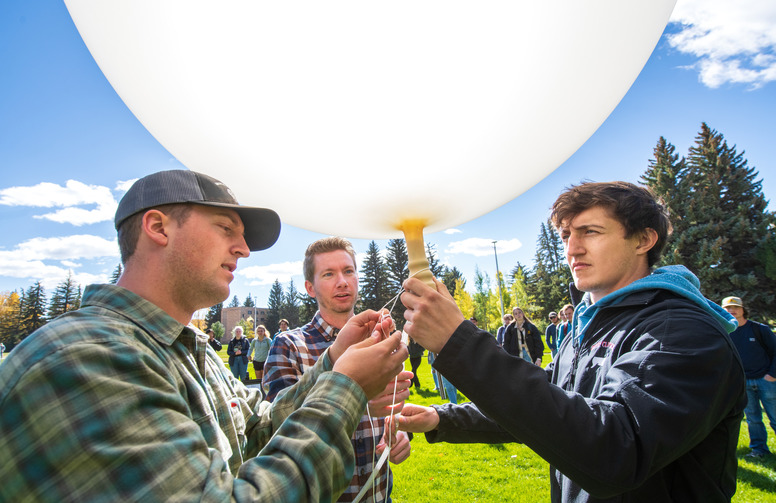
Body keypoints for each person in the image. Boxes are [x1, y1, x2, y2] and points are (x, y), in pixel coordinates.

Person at [0, 169, 408, 502]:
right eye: (225, 228)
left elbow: (260, 431)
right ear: (158, 227)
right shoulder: (87, 358)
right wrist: (347, 386)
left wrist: (335, 359)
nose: (244, 249)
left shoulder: (188, 350)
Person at [398, 181, 746, 502]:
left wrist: (461, 343)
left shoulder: (681, 331)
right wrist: (441, 418)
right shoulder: (591, 322)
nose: (572, 249)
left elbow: (616, 450)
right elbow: (548, 407)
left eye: (590, 232)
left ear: (643, 240)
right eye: (565, 236)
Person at [264, 237, 413, 502]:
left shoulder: (382, 339)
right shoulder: (288, 345)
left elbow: (394, 405)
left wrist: (400, 431)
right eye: (329, 274)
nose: (342, 281)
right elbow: (273, 429)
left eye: (348, 271)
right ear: (310, 287)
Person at [721, 295, 776, 459]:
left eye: (735, 307)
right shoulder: (725, 332)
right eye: (728, 308)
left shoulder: (760, 329)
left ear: (743, 310)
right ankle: (759, 450)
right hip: (743, 383)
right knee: (753, 419)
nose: (732, 311)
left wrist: (772, 375)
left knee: (775, 417)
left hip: (766, 380)